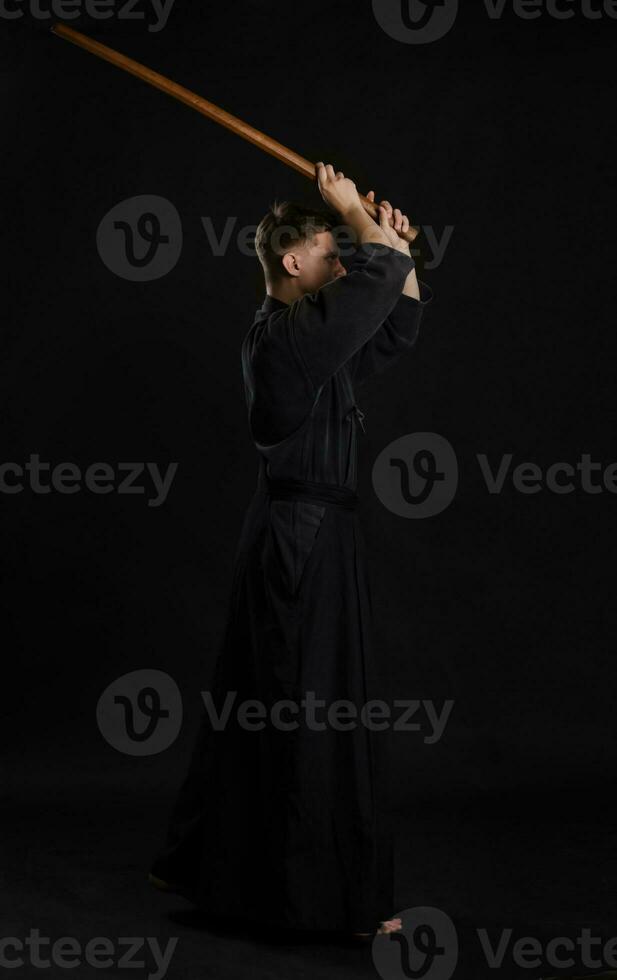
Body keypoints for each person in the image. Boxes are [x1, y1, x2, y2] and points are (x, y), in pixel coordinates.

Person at [149, 163, 433, 940]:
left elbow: (394, 321)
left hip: (317, 535)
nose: (339, 262)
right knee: (307, 709)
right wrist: (361, 222)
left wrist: (390, 245)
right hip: (298, 540)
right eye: (326, 250)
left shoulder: (315, 346)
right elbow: (373, 279)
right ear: (291, 262)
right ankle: (309, 897)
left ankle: (251, 881)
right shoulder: (282, 340)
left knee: (305, 702)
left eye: (342, 252)